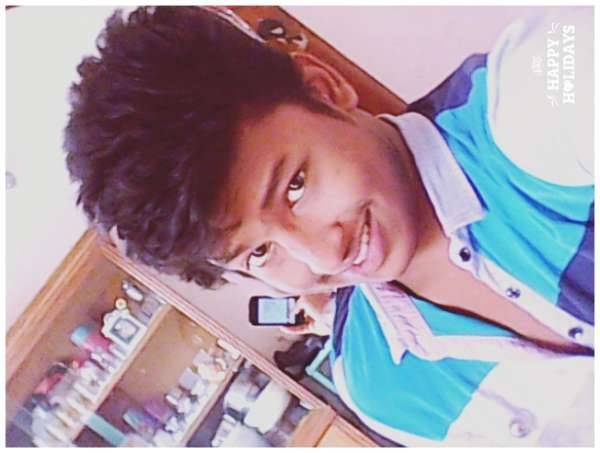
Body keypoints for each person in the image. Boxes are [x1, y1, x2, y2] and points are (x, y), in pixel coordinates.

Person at [64, 6, 594, 446]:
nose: (323, 254)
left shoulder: (541, 92)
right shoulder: (380, 384)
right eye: (259, 252)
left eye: (295, 186)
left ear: (323, 89)